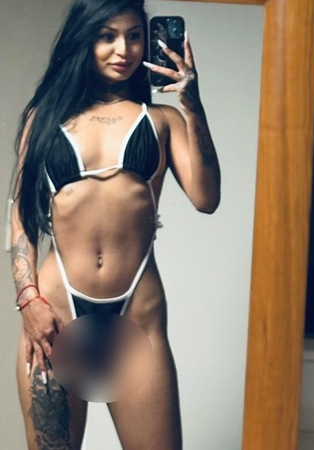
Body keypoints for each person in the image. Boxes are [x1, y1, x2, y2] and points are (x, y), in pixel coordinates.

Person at [9, 0, 220, 448]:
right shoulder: (44, 119)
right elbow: (21, 217)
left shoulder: (163, 120)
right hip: (57, 317)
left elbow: (207, 198)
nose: (123, 49)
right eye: (107, 36)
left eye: (134, 35)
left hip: (136, 317)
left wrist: (193, 103)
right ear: (84, 40)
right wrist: (28, 301)